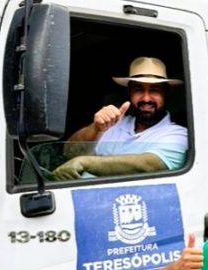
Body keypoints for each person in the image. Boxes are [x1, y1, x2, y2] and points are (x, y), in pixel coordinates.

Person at [52, 56, 188, 180]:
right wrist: (95, 128)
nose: (146, 98)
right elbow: (68, 153)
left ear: (165, 94)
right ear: (129, 93)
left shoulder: (178, 134)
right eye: (138, 90)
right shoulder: (114, 122)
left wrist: (84, 162)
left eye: (155, 90)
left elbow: (149, 165)